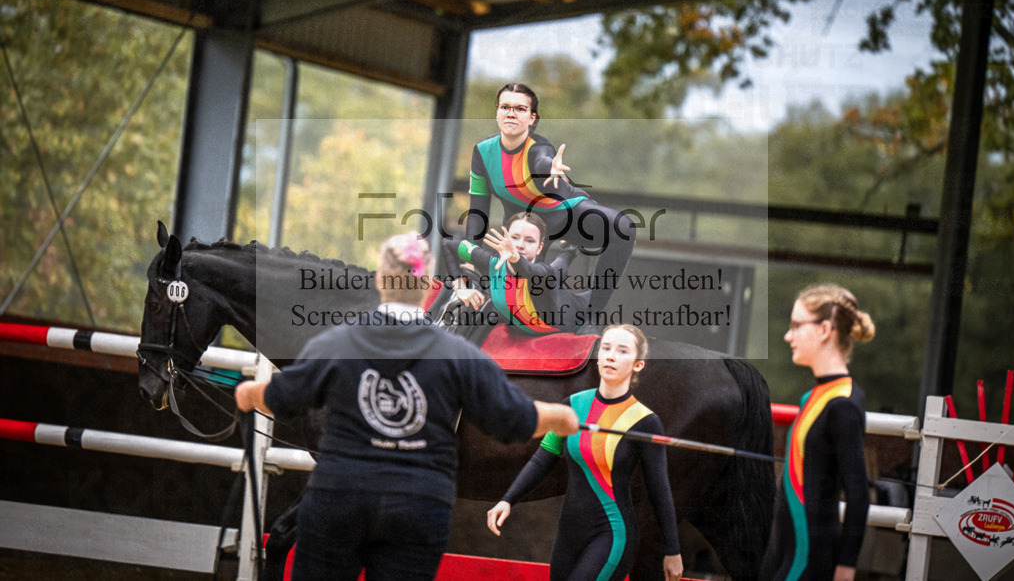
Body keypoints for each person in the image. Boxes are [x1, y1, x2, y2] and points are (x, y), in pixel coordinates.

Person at [234, 232, 579, 581]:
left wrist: (248, 394)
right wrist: (561, 416)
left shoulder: (336, 342)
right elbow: (515, 419)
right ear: (427, 282)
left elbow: (283, 398)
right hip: (419, 505)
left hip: (340, 498)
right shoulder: (459, 355)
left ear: (382, 279)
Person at [486, 324, 685, 581]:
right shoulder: (572, 406)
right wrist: (507, 499)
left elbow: (659, 489)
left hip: (612, 535)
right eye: (606, 348)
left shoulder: (645, 421)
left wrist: (673, 551)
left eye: (623, 351)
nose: (611, 355)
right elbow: (542, 459)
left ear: (638, 365)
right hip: (569, 535)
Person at [465, 83, 636, 324]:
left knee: (624, 227)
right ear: (497, 112)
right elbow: (477, 213)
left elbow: (542, 161)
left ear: (532, 118)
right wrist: (469, 265)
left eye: (520, 109)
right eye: (505, 107)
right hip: (525, 225)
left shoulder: (539, 147)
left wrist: (551, 168)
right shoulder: (482, 152)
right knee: (521, 293)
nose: (511, 113)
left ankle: (591, 316)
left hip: (566, 215)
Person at [760, 284, 873, 581]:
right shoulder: (814, 396)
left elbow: (859, 495)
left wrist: (846, 568)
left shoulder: (843, 404)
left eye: (797, 325)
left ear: (825, 329)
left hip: (810, 561)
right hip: (789, 556)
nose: (788, 336)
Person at [438, 211, 589, 338]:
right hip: (525, 324)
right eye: (515, 238)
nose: (520, 245)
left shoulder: (542, 272)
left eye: (529, 241)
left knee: (555, 272)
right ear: (506, 239)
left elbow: (525, 270)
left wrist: (514, 257)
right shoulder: (491, 263)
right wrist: (460, 288)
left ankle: (569, 251)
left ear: (539, 248)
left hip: (571, 316)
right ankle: (569, 250)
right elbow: (448, 243)